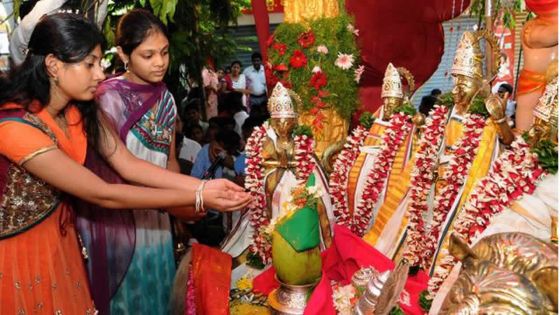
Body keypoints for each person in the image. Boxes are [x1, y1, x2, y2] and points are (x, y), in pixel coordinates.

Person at [0, 13, 250, 314]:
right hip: (21, 252)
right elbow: (103, 192)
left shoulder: (78, 110)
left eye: (99, 63)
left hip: (60, 240)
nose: (100, 74)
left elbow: (127, 163)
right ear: (53, 65)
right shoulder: (14, 127)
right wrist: (197, 196)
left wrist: (204, 186)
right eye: (90, 64)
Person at [75, 9, 243, 314]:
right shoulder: (105, 98)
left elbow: (168, 161)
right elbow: (122, 170)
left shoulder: (165, 96)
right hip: (119, 218)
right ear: (125, 54)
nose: (160, 62)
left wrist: (183, 208)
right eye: (148, 55)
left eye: (164, 52)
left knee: (159, 295)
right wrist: (196, 190)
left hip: (157, 218)